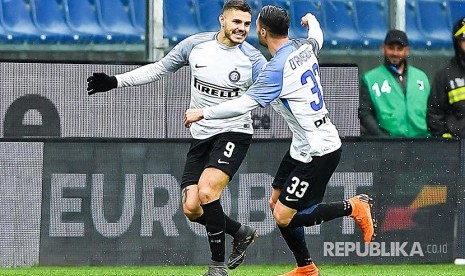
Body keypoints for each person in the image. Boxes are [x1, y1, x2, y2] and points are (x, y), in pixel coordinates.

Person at [184, 6, 375, 276]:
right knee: (276, 203)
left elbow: (243, 104)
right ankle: (305, 267)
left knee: (284, 215)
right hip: (302, 146)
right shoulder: (303, 47)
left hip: (320, 150)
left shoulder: (276, 70)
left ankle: (353, 206)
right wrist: (312, 20)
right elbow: (317, 36)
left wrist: (203, 112)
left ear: (262, 31)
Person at [86, 1, 267, 275]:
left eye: (246, 24)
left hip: (234, 132)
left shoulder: (254, 60)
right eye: (236, 22)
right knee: (192, 208)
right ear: (222, 20)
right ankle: (241, 232)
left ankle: (217, 268)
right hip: (201, 136)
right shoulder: (195, 46)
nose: (242, 28)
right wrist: (115, 81)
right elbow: (159, 68)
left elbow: (272, 93)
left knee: (207, 192)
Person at [358, 29, 431, 137]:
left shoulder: (421, 77)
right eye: (391, 48)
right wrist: (382, 138)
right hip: (388, 144)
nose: (395, 53)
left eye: (400, 49)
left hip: (422, 141)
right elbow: (365, 114)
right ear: (384, 48)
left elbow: (432, 111)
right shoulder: (370, 78)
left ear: (407, 50)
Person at [427, 17, 465, 138]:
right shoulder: (444, 74)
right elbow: (434, 113)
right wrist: (445, 141)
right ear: (457, 43)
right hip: (457, 150)